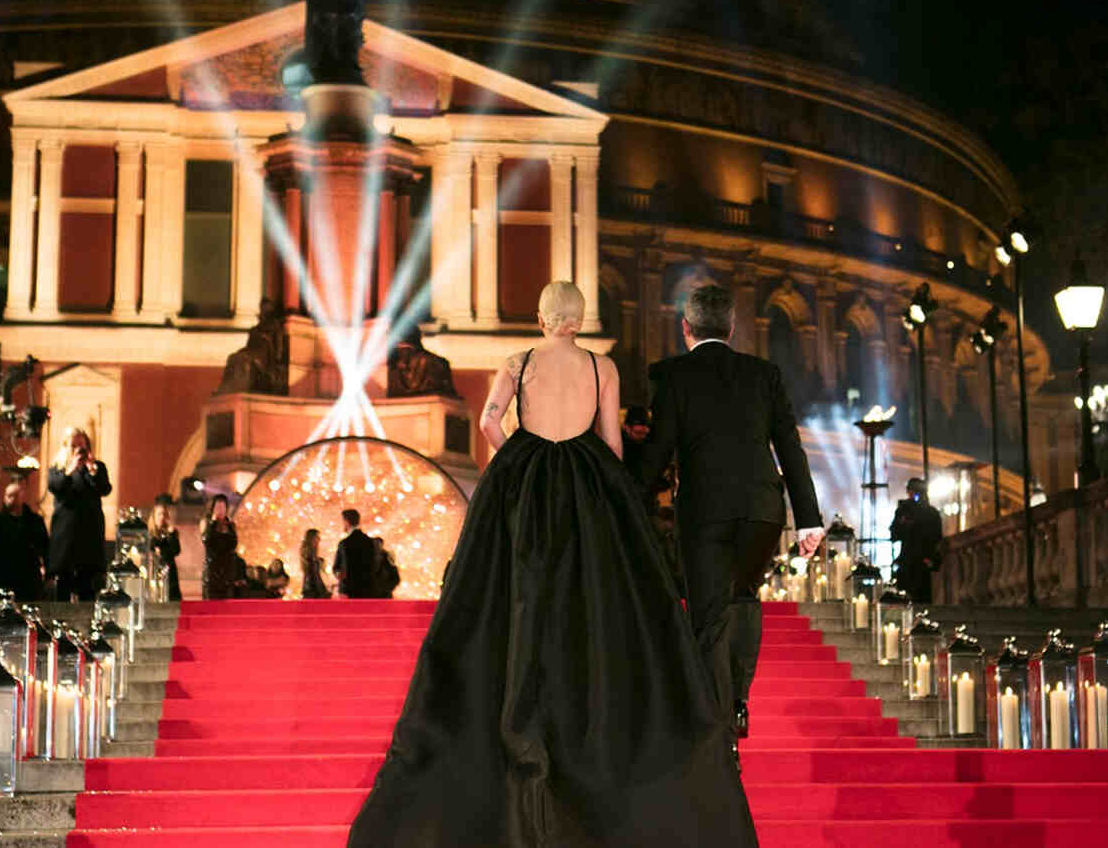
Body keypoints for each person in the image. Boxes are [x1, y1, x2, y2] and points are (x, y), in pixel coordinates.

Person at [348, 281, 755, 847]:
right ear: (580, 319)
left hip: (524, 484)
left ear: (541, 316)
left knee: (508, 595)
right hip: (591, 490)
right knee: (601, 603)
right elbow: (612, 443)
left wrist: (523, 450)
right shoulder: (602, 368)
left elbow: (491, 423)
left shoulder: (518, 363)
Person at [640, 284, 824, 744]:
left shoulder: (673, 376)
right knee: (743, 597)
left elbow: (656, 453)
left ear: (686, 328)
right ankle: (738, 700)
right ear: (732, 326)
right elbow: (790, 449)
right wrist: (809, 518)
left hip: (705, 512)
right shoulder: (764, 374)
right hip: (762, 510)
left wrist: (627, 501)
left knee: (708, 612)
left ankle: (717, 729)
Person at [47, 426, 112, 601]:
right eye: (73, 446)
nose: (77, 450)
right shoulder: (58, 468)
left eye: (81, 446)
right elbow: (55, 486)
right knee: (63, 584)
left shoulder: (97, 467)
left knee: (87, 584)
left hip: (89, 533)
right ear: (65, 447)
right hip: (66, 534)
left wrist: (91, 470)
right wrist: (70, 469)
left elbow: (105, 488)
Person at [0, 480, 49, 601]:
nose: (10, 499)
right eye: (7, 496)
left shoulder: (34, 521)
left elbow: (45, 546)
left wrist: (48, 572)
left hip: (29, 574)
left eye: (13, 495)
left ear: (21, 497)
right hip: (5, 574)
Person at [890, 477, 944, 603]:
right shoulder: (930, 512)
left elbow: (895, 534)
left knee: (913, 598)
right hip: (917, 561)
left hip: (914, 561)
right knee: (919, 598)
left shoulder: (912, 511)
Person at [200, 494, 241, 599]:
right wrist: (213, 523)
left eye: (223, 508)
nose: (220, 511)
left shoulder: (230, 525)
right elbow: (206, 540)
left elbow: (234, 544)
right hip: (212, 571)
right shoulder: (207, 523)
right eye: (218, 507)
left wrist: (230, 528)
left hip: (227, 572)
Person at [332, 508, 378, 599]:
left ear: (346, 521)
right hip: (367, 591)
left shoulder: (344, 543)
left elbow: (338, 568)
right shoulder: (369, 542)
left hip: (348, 592)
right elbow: (375, 566)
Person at [148, 493, 182, 601]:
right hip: (154, 572)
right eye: (159, 514)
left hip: (170, 573)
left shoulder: (172, 533)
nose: (162, 517)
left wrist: (171, 535)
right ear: (154, 516)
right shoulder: (150, 534)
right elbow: (153, 549)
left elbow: (176, 550)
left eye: (164, 514)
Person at [299, 528, 331, 598]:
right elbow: (313, 574)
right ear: (311, 538)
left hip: (312, 588)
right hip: (313, 589)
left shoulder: (310, 554)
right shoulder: (309, 555)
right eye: (317, 537)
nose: (319, 539)